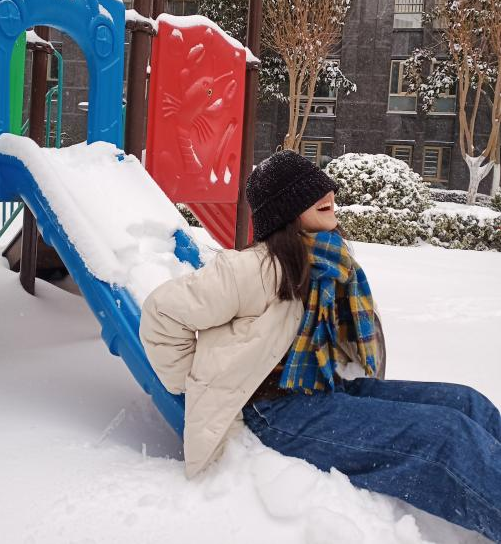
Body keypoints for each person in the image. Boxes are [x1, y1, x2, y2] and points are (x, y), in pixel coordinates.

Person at [140, 150, 501, 542]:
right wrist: (193, 385)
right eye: (310, 192)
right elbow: (163, 312)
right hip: (274, 410)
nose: (329, 194)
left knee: (467, 403)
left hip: (323, 388)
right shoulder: (253, 269)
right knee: (445, 437)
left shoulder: (328, 258)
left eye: (326, 187)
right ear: (286, 209)